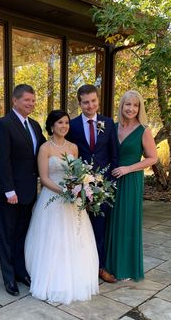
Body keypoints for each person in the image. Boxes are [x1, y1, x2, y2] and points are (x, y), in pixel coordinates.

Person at [25, 110, 99, 305]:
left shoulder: (74, 148)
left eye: (66, 122)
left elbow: (78, 173)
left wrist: (79, 188)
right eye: (60, 123)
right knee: (53, 240)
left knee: (75, 239)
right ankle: (51, 279)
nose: (64, 126)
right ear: (51, 126)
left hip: (72, 201)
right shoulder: (45, 149)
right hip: (53, 197)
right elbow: (44, 178)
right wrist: (64, 191)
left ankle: (75, 278)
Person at [0, 84, 46, 296]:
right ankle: (8, 278)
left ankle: (20, 272)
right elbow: (2, 161)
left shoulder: (34, 125)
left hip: (29, 191)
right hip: (10, 194)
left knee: (22, 235)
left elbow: (41, 153)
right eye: (27, 100)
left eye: (33, 100)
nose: (31, 104)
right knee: (6, 235)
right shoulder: (3, 124)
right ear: (15, 101)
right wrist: (9, 191)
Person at [68, 84, 118, 283]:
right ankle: (79, 267)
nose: (90, 105)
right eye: (86, 102)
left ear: (98, 101)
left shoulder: (108, 123)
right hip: (78, 188)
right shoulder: (71, 125)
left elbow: (114, 155)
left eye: (93, 101)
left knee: (99, 229)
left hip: (102, 189)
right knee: (78, 229)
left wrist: (111, 184)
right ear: (79, 103)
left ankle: (100, 268)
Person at [105, 90, 158, 281]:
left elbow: (153, 158)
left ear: (139, 108)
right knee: (111, 221)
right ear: (121, 105)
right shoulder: (113, 126)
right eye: (128, 104)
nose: (131, 109)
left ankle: (125, 267)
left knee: (126, 221)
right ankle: (109, 265)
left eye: (135, 105)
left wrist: (128, 168)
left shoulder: (143, 130)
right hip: (112, 180)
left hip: (130, 180)